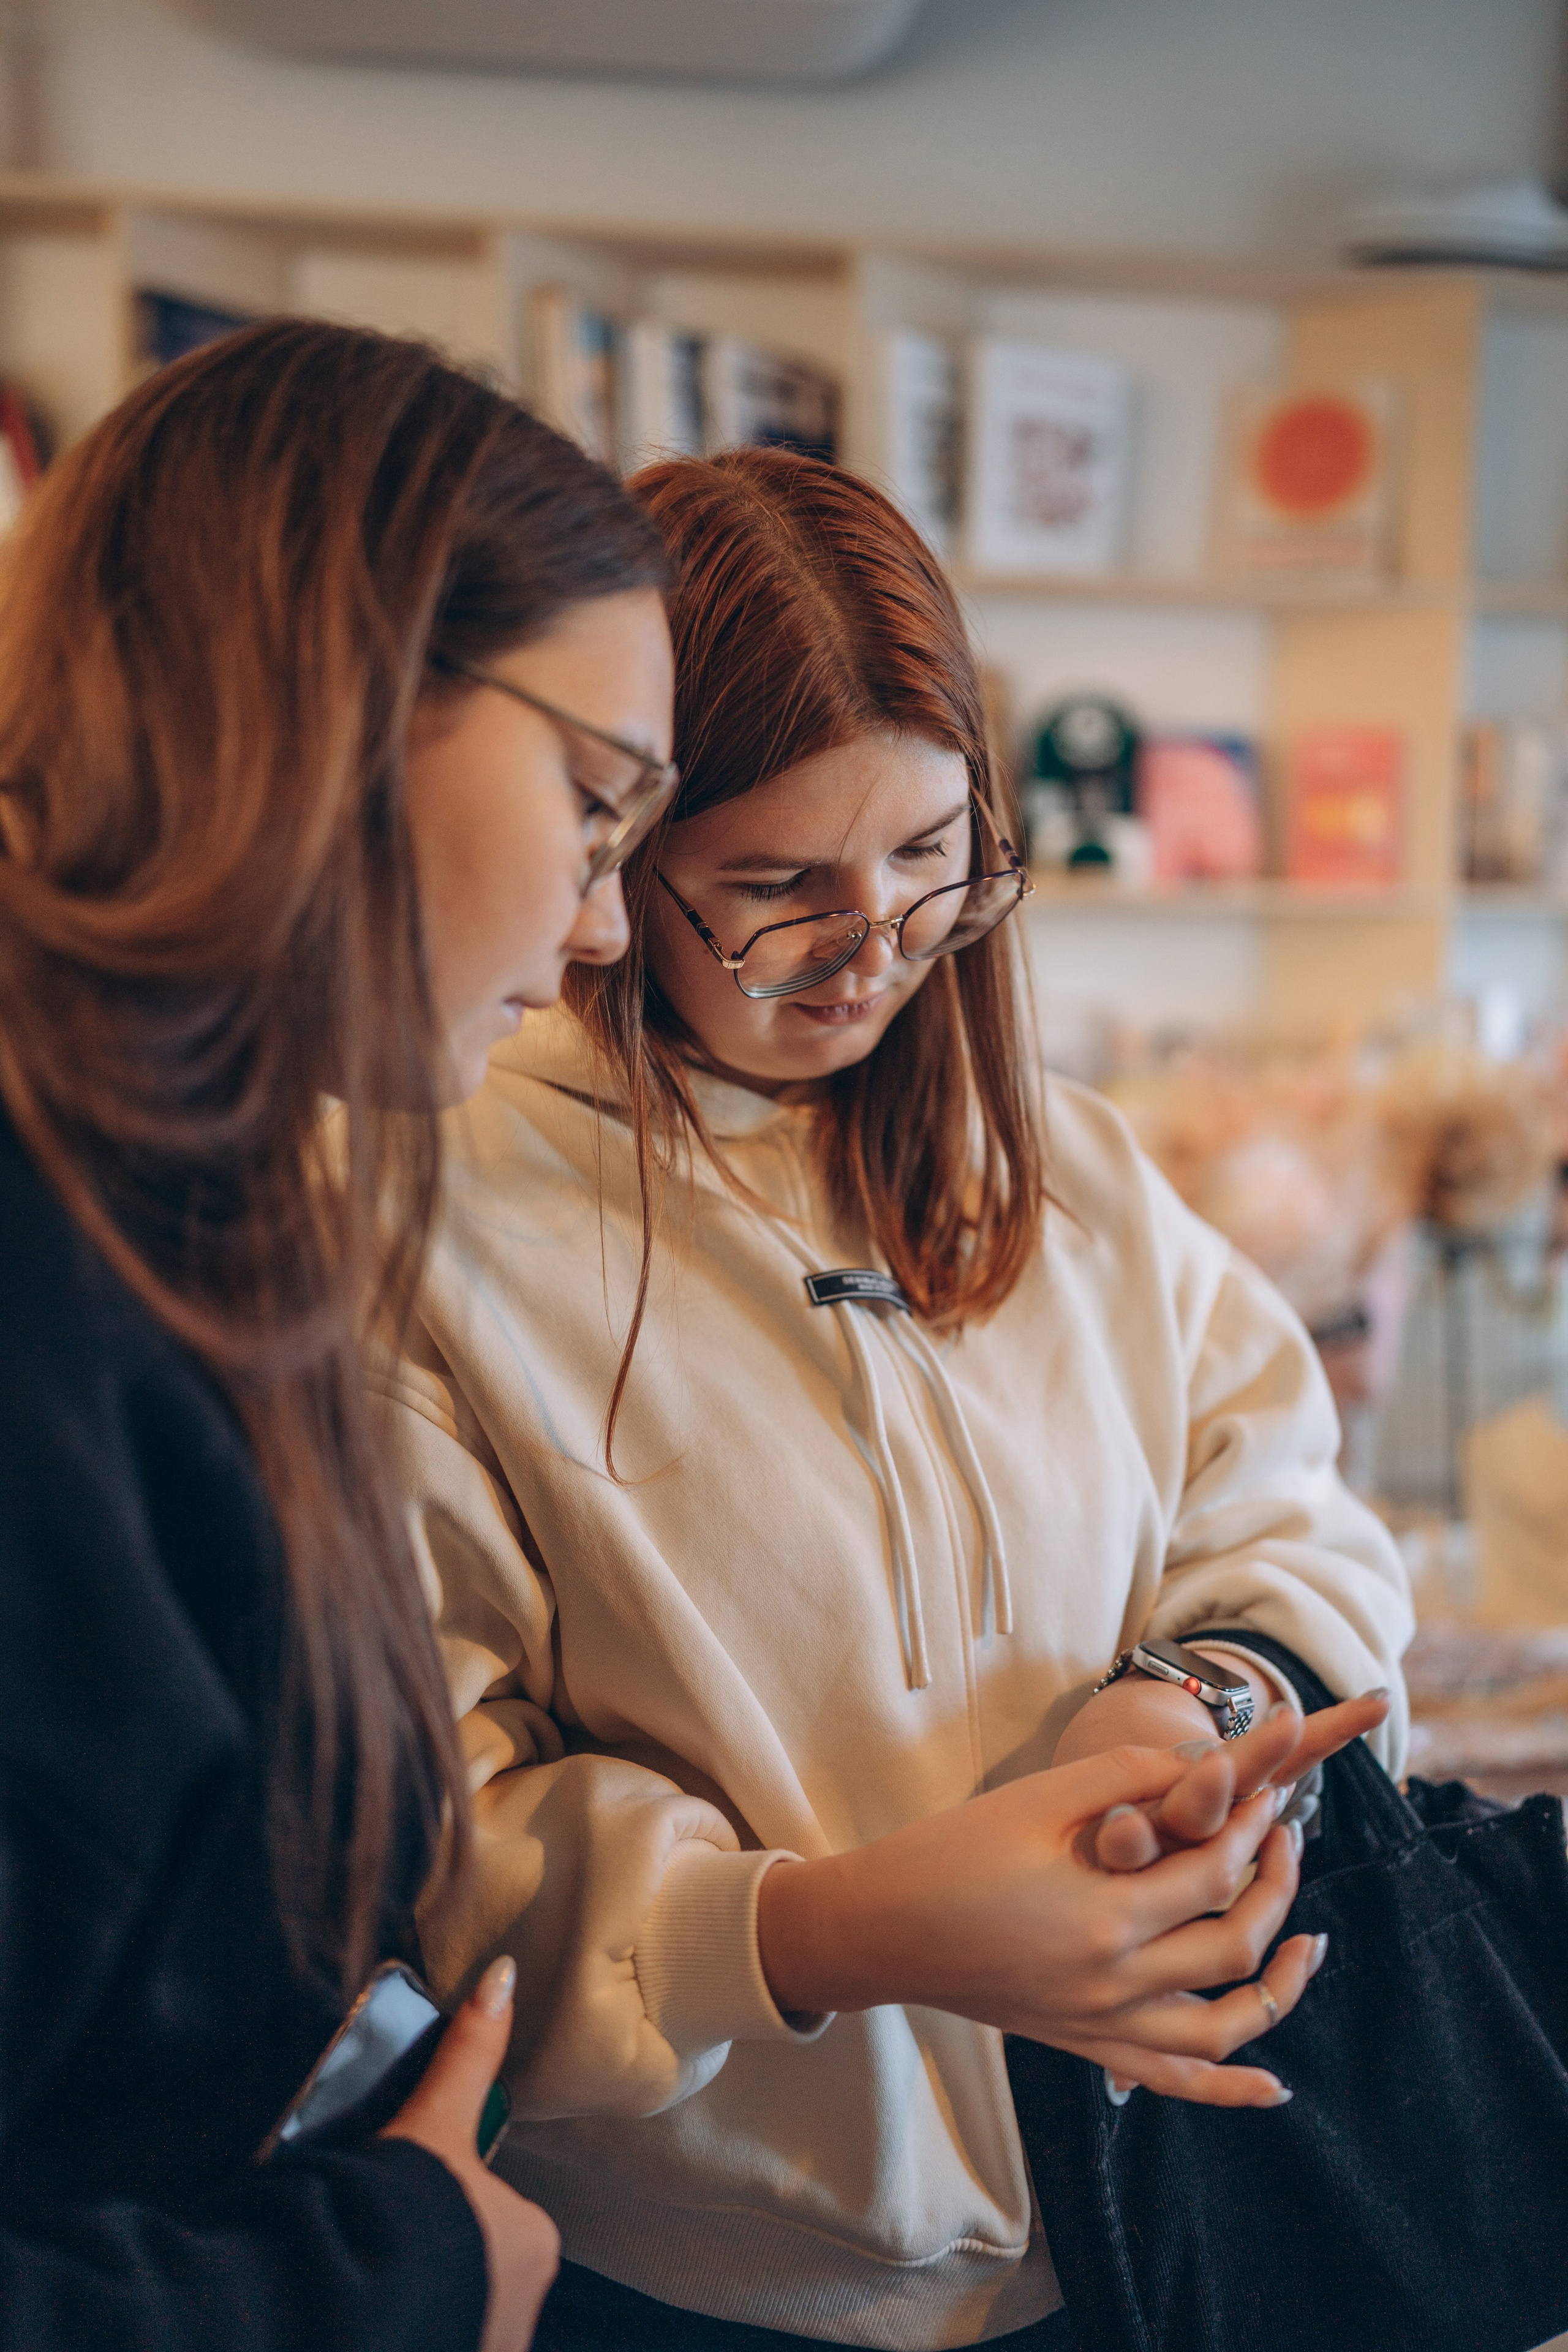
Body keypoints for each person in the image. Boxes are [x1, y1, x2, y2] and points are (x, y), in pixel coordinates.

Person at [378, 448, 1409, 2351]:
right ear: (616, 859)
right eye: (775, 888)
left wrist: (1198, 1699)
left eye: (933, 855)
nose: (874, 951)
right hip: (680, 2283)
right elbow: (433, 1828)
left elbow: (1290, 1510)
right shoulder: (432, 1212)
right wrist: (823, 1930)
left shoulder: (1072, 1166)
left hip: (1139, 2219)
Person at [0, 317, 679, 2351]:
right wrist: (380, 2274)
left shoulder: (184, 1214)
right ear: (352, 677)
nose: (605, 926)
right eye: (596, 802)